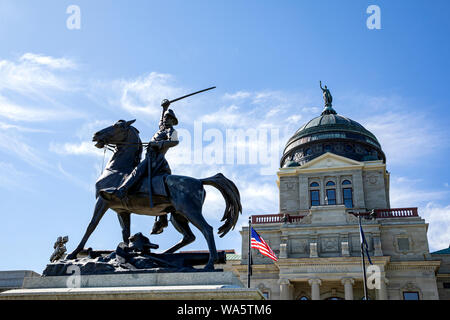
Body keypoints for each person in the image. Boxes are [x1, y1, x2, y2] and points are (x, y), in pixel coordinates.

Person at [101, 99, 179, 234]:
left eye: (168, 118)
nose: (166, 120)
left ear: (173, 121)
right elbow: (160, 122)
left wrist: (159, 145)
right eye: (165, 118)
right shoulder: (162, 128)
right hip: (150, 158)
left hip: (156, 160)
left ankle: (122, 190)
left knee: (136, 171)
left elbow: (174, 142)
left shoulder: (171, 131)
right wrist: (165, 108)